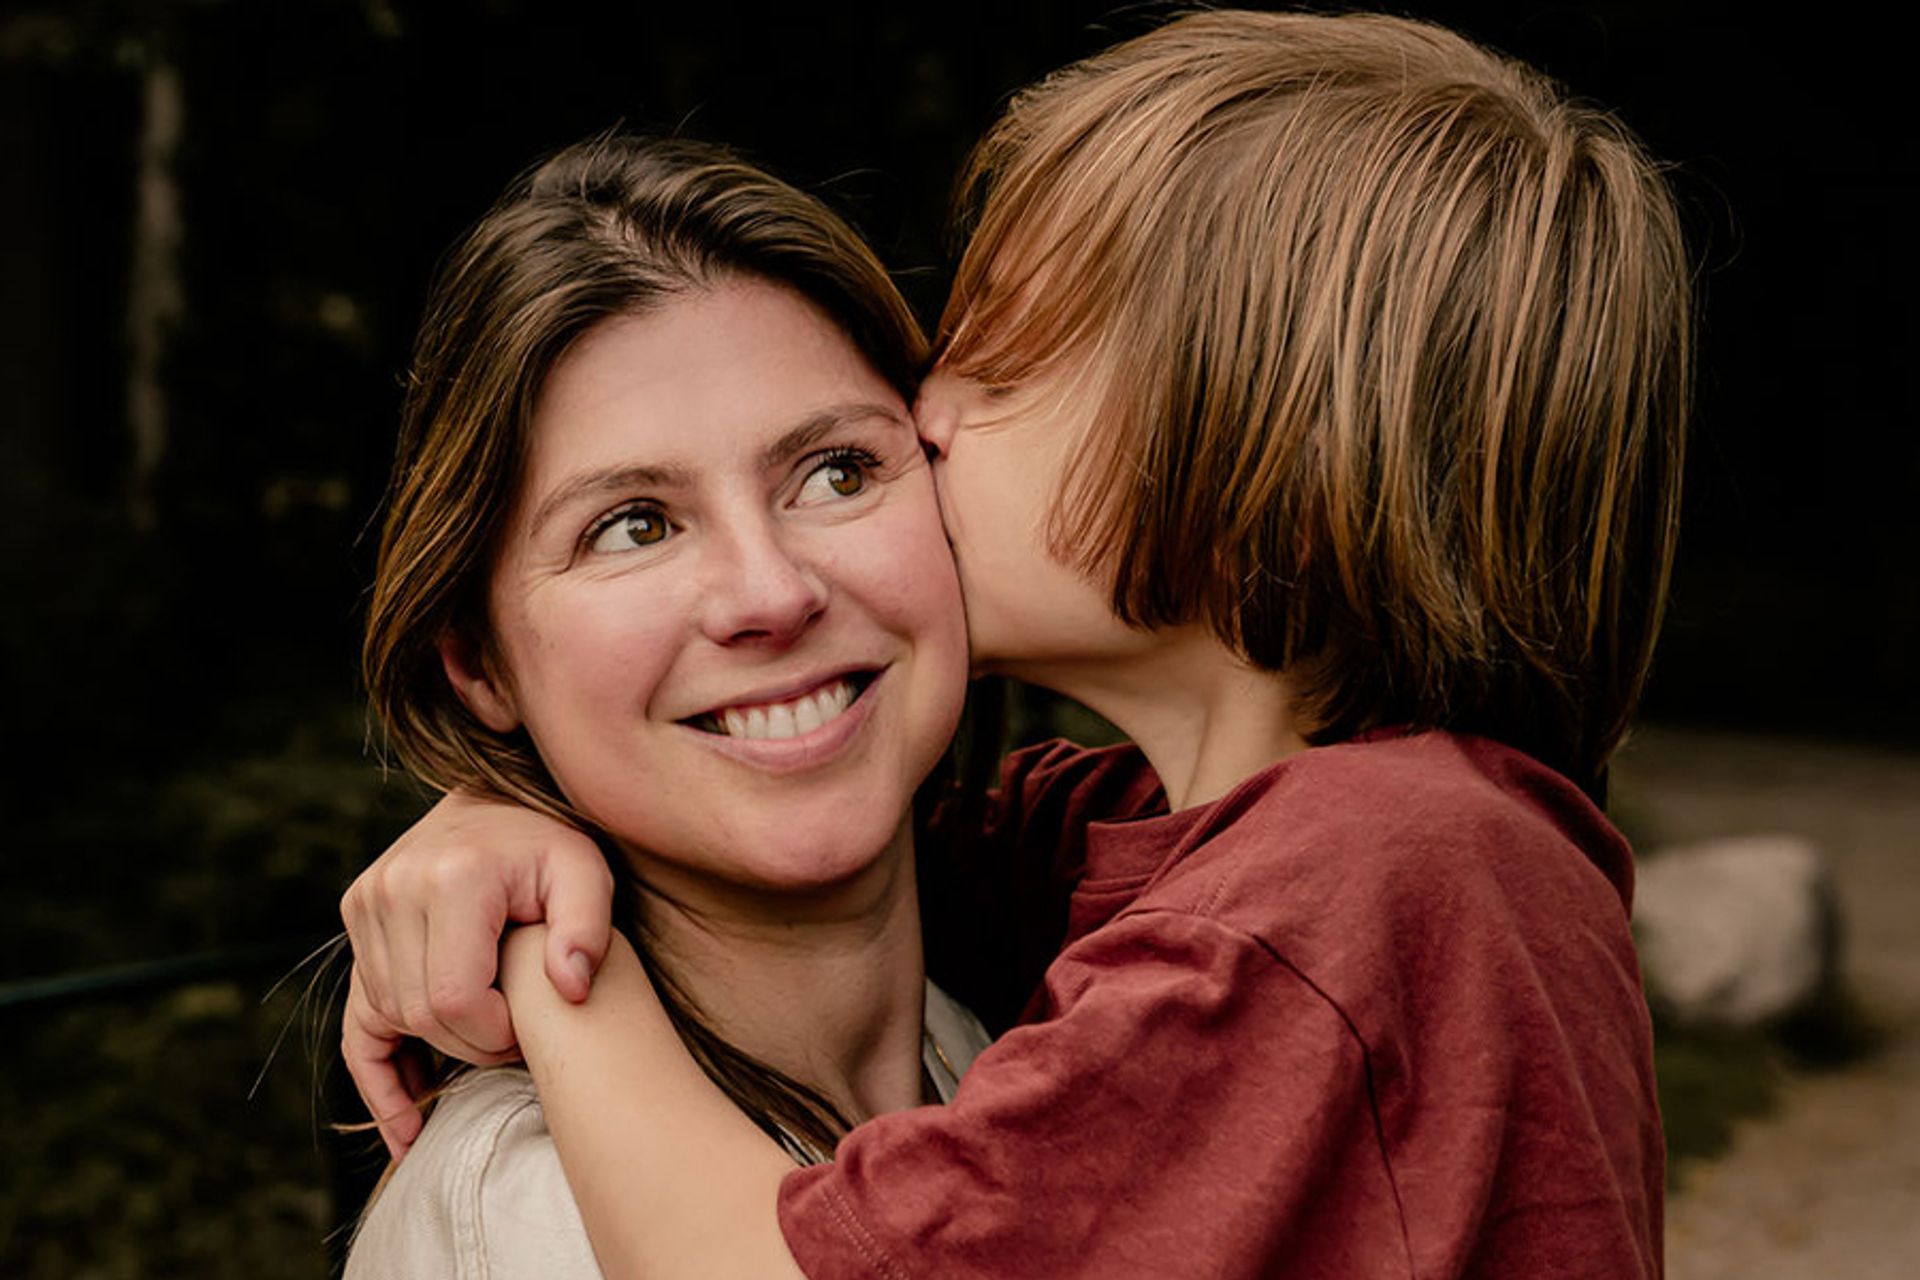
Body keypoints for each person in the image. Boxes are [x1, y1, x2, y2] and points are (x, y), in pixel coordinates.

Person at [343, 11, 1691, 1277]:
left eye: (1008, 368)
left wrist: (557, 969)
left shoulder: (1350, 890)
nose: (934, 417)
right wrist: (495, 825)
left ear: (1246, 450)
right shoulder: (1187, 847)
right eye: (634, 525)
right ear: (479, 657)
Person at [338, 133, 993, 1278]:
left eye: (836, 470)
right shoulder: (535, 1216)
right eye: (633, 524)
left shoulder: (1011, 1030)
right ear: (479, 665)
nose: (771, 592)